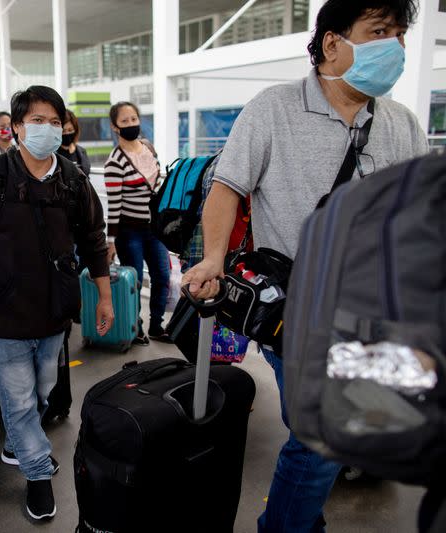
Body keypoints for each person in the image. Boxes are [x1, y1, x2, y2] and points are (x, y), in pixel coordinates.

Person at [183, 1, 428, 531]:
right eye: (380, 31)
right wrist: (214, 258)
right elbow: (228, 187)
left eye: (401, 34)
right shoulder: (274, 108)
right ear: (333, 42)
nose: (397, 47)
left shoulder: (402, 124)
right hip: (292, 309)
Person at [0, 86, 113, 522]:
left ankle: (17, 440)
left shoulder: (73, 179)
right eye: (37, 121)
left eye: (54, 121)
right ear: (16, 127)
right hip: (6, 314)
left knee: (43, 394)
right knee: (22, 402)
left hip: (54, 314)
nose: (46, 129)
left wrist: (104, 297)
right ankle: (36, 474)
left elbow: (93, 240)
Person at [104, 101, 170, 345]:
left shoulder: (148, 148)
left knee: (162, 277)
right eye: (125, 121)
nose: (131, 124)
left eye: (134, 119)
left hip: (156, 229)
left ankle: (156, 325)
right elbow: (114, 206)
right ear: (114, 127)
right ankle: (136, 328)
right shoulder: (114, 163)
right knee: (134, 283)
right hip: (129, 232)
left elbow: (159, 185)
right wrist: (110, 242)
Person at [57, 109, 90, 176]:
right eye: (63, 131)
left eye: (70, 130)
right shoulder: (52, 154)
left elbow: (86, 175)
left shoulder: (81, 152)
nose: (67, 134)